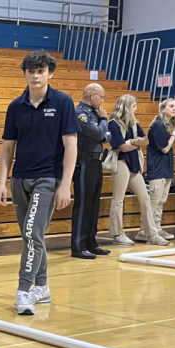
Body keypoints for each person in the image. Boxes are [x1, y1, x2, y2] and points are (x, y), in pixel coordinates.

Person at [0, 50, 78, 316]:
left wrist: (65, 185)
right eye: (31, 71)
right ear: (25, 74)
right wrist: (2, 182)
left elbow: (71, 147)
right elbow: (7, 148)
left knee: (32, 234)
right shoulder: (15, 107)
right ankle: (42, 286)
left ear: (49, 73)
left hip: (48, 178)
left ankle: (23, 290)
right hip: (21, 179)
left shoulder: (63, 103)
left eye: (41, 70)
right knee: (32, 236)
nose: (36, 75)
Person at [107, 94, 168, 247]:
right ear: (126, 107)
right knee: (118, 199)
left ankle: (151, 234)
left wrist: (132, 142)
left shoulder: (135, 123)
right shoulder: (113, 124)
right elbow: (121, 146)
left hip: (134, 163)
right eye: (134, 106)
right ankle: (118, 233)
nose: (136, 109)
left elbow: (146, 141)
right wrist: (136, 143)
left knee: (145, 198)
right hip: (121, 163)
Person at [71, 83, 111, 259]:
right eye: (100, 96)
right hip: (84, 162)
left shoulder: (96, 113)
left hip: (96, 162)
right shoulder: (80, 113)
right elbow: (99, 135)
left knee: (94, 204)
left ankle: (91, 242)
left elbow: (108, 136)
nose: (102, 100)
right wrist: (103, 122)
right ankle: (78, 246)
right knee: (84, 205)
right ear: (91, 95)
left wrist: (102, 130)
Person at [146, 98, 175, 241]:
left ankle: (157, 227)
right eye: (171, 106)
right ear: (163, 109)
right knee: (154, 201)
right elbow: (164, 148)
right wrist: (174, 134)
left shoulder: (166, 125)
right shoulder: (158, 125)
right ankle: (148, 230)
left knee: (161, 200)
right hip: (157, 169)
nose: (174, 109)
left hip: (166, 168)